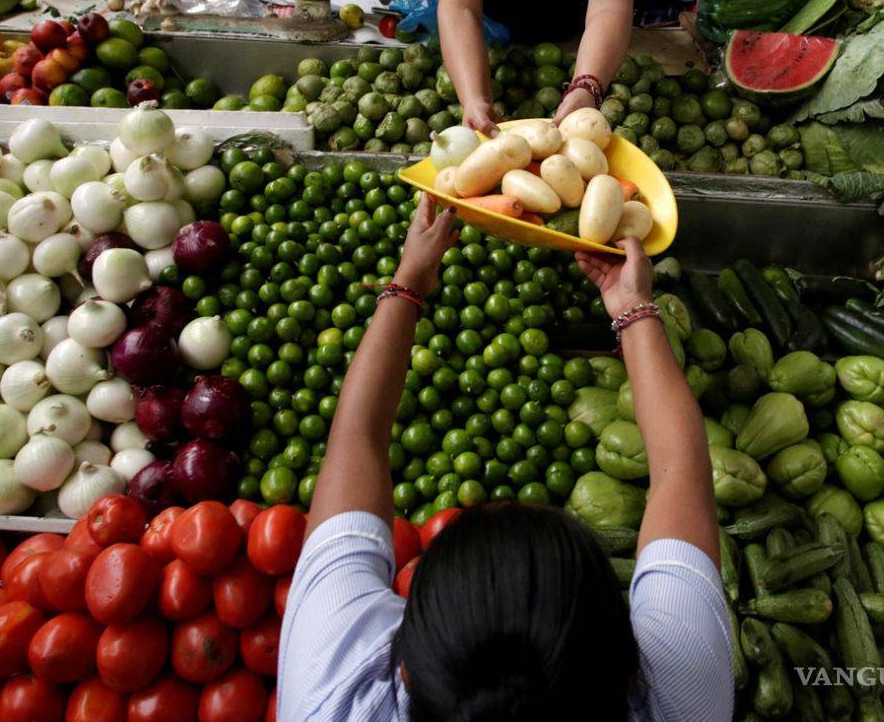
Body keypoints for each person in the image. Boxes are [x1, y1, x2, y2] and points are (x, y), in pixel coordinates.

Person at [276, 193, 732, 722]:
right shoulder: (683, 697)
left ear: (402, 668)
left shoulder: (329, 701)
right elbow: (682, 467)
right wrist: (633, 307)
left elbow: (355, 437)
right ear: (633, 669)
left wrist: (409, 281)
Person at [433, 0, 646, 133]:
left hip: (572, 15)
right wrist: (473, 98)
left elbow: (608, 8)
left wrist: (587, 86)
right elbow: (460, 7)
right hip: (493, 19)